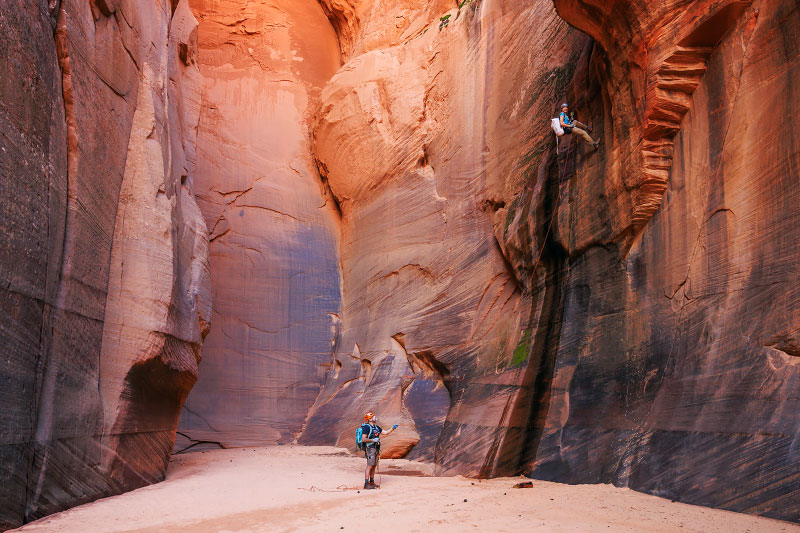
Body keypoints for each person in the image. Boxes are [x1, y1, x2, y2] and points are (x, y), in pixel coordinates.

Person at [360, 411, 398, 489]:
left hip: (376, 449)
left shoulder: (376, 427)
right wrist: (373, 440)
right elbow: (364, 439)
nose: (375, 417)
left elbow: (385, 432)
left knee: (374, 465)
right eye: (373, 416)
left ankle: (372, 482)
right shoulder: (366, 427)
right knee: (369, 465)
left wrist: (392, 428)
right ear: (369, 419)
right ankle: (366, 484)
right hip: (370, 448)